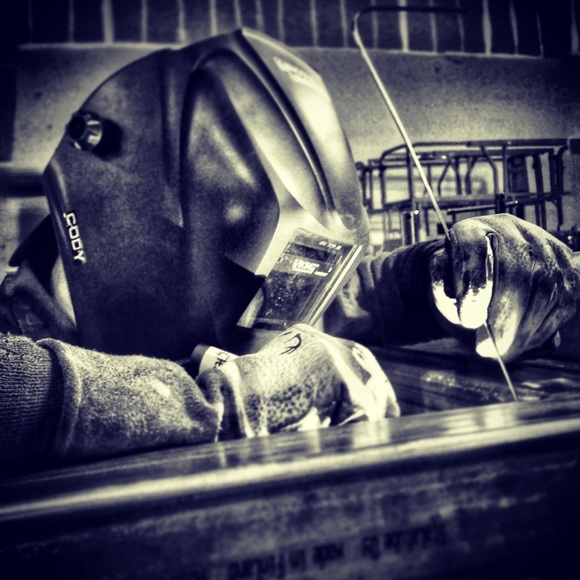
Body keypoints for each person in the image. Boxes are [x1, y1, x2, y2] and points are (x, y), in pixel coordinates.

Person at [1, 29, 579, 472]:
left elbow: (299, 312)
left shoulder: (200, 304)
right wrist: (215, 404)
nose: (248, 322)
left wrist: (437, 280)